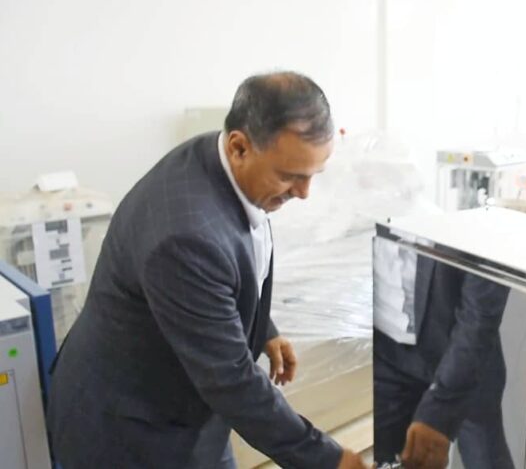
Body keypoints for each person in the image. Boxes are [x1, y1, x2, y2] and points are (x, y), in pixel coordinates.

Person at [46, 72, 368, 469]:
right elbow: (232, 381)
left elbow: (241, 257)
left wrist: (262, 328)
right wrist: (329, 460)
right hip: (132, 431)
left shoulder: (216, 160)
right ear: (239, 147)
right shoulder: (186, 237)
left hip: (186, 407)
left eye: (312, 175)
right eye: (289, 176)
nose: (303, 193)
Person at [373, 249, 513, 469]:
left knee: (484, 457)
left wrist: (442, 406)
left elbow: (480, 314)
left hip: (465, 359)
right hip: (388, 352)